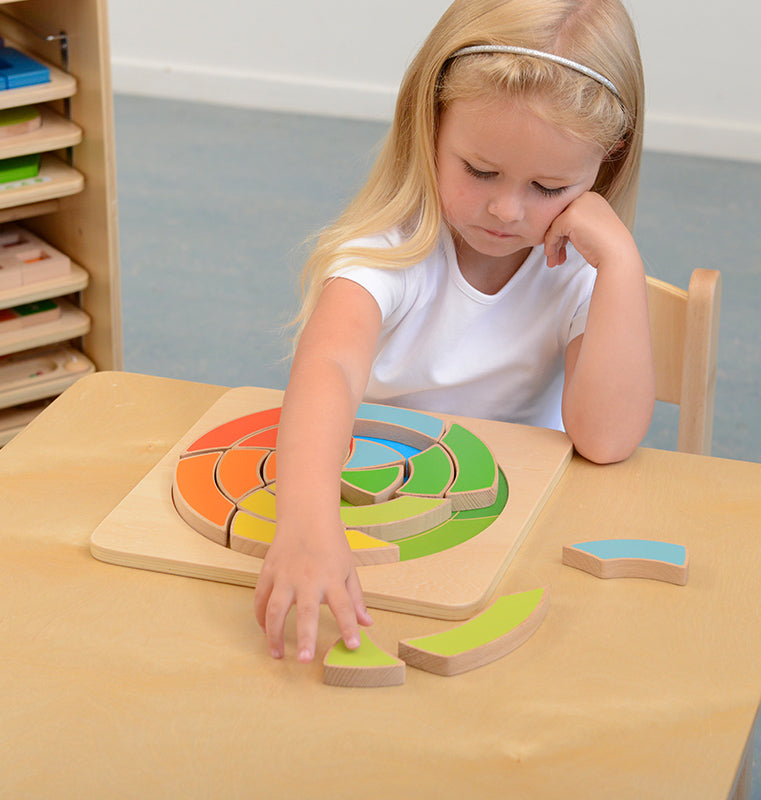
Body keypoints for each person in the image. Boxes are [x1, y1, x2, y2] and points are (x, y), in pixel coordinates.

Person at [254, 0, 655, 662]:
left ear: (605, 164)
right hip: (378, 514)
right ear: (430, 124)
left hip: (516, 529)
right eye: (480, 171)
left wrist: (620, 264)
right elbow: (329, 368)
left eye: (549, 185)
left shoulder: (584, 271)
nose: (506, 209)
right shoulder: (390, 248)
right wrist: (305, 526)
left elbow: (607, 439)